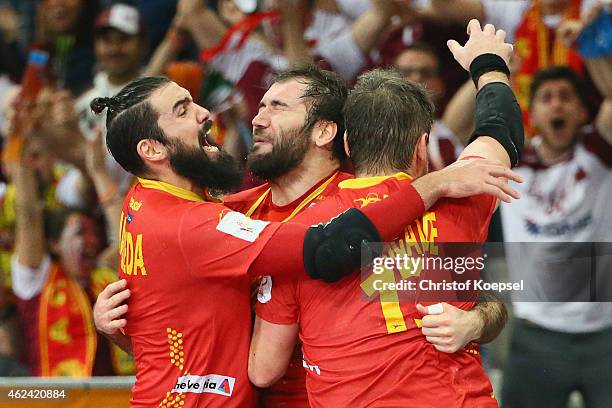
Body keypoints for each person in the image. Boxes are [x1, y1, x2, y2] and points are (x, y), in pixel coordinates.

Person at [89, 62, 520, 405]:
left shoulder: (374, 212)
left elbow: (459, 289)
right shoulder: (230, 215)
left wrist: (476, 319)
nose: (256, 119)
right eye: (260, 107)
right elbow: (192, 334)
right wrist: (120, 328)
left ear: (327, 132)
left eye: (277, 108)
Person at [249, 20, 521, 407]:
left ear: (347, 143)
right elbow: (502, 131)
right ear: (421, 148)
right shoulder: (463, 196)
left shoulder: (298, 232)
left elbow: (264, 370)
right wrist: (489, 63)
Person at [500, 60, 612, 406]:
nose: (557, 104)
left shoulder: (600, 153)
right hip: (536, 335)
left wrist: (595, 49)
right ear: (531, 113)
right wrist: (493, 71)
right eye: (546, 98)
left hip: (605, 335)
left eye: (566, 97)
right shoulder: (510, 163)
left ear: (582, 112)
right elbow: (451, 129)